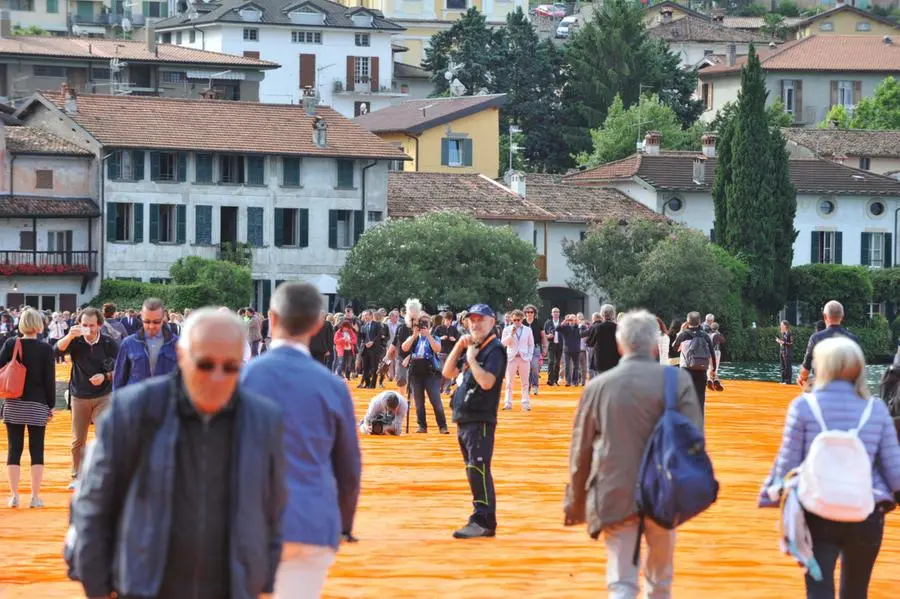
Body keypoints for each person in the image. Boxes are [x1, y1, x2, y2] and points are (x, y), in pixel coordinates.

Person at [67, 308, 286, 599]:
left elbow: (274, 510)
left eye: (231, 367)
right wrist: (98, 587)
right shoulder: (134, 412)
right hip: (146, 587)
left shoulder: (263, 420)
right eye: (206, 364)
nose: (218, 377)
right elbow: (92, 508)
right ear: (182, 355)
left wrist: (263, 578)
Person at [564, 310, 703, 598]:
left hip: (616, 488)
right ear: (655, 344)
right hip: (665, 490)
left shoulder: (598, 386)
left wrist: (576, 501)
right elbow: (694, 441)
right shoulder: (677, 382)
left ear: (619, 344)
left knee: (621, 581)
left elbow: (581, 450)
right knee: (660, 581)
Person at [241, 282, 361, 597]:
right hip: (311, 522)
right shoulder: (333, 387)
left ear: (272, 318)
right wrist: (343, 524)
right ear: (318, 324)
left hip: (251, 522)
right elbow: (349, 469)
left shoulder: (243, 379)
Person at [759, 337, 900, 599]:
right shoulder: (876, 409)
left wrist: (771, 492)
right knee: (856, 591)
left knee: (819, 589)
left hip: (817, 510)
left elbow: (787, 460)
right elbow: (895, 470)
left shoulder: (803, 406)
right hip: (865, 512)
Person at [443, 303, 507, 539]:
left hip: (480, 418)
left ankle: (483, 520)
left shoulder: (494, 350)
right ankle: (480, 518)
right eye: (472, 320)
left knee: (478, 469)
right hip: (465, 418)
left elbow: (487, 382)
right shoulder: (475, 347)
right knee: (473, 469)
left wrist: (470, 357)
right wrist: (460, 347)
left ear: (492, 322)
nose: (475, 324)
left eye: (481, 319)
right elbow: (448, 373)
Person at [55, 307, 119, 488]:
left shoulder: (108, 343)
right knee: (78, 439)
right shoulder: (76, 342)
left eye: (92, 325)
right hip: (79, 395)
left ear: (99, 325)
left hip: (104, 395)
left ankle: (103, 476)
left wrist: (105, 377)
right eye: (84, 325)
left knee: (104, 436)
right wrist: (69, 336)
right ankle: (77, 476)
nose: (88, 329)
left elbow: (121, 368)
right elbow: (55, 351)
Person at [0, 309, 55, 508]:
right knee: (36, 450)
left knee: (14, 450)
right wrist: (50, 406)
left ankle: (14, 495)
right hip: (37, 404)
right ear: (39, 325)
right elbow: (50, 381)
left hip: (14, 402)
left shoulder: (11, 344)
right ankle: (35, 496)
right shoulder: (46, 349)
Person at [113, 298, 179, 390]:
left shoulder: (178, 344)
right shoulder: (128, 343)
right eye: (147, 321)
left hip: (167, 401)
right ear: (141, 317)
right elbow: (119, 381)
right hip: (136, 401)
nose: (151, 326)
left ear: (163, 317)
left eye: (156, 322)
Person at [402, 314, 448, 434]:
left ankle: (442, 426)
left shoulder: (434, 337)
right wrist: (414, 335)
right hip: (416, 373)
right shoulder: (414, 338)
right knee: (418, 401)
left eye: (425, 325)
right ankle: (422, 426)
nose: (423, 327)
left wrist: (428, 335)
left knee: (435, 400)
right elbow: (404, 347)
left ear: (430, 326)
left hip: (431, 372)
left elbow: (437, 348)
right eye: (421, 324)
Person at [798, 301, 860, 389]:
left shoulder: (816, 338)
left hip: (822, 387)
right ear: (842, 316)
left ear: (825, 316)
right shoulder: (853, 339)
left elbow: (806, 368)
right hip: (846, 388)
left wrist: (802, 378)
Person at [673, 311, 718, 416]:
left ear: (687, 322)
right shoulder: (705, 336)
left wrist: (680, 331)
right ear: (699, 322)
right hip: (701, 369)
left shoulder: (683, 335)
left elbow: (674, 348)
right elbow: (712, 353)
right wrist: (713, 369)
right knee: (700, 397)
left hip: (685, 370)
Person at [501, 309, 534, 411]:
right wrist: (511, 334)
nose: (516, 322)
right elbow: (503, 343)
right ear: (511, 319)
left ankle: (525, 403)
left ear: (522, 319)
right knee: (509, 382)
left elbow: (531, 344)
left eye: (518, 320)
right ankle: (508, 403)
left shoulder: (528, 330)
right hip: (511, 358)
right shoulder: (507, 329)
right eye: (514, 320)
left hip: (524, 358)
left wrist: (529, 356)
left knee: (525, 382)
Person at [583, 304, 620, 376]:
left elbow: (590, 343)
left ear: (602, 314)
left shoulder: (597, 327)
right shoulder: (618, 327)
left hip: (600, 360)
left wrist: (586, 339)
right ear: (613, 313)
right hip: (614, 360)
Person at [522, 305, 544, 396]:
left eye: (531, 312)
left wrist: (545, 348)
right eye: (527, 312)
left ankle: (535, 386)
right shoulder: (522, 322)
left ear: (534, 313)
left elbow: (543, 336)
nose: (529, 314)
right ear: (525, 313)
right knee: (526, 369)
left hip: (536, 348)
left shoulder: (538, 322)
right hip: (524, 349)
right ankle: (527, 388)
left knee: (534, 367)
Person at [543, 307, 563, 386]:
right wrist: (548, 336)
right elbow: (543, 334)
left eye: (557, 312)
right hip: (551, 345)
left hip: (560, 345)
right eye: (554, 312)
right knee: (551, 362)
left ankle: (556, 380)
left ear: (559, 313)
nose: (555, 313)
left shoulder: (562, 322)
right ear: (551, 314)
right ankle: (550, 380)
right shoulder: (548, 323)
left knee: (557, 363)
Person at [777, 320, 794, 384]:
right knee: (782, 367)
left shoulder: (790, 333)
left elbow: (791, 343)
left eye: (782, 325)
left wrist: (783, 342)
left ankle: (788, 381)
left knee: (787, 367)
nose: (780, 326)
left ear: (785, 326)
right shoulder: (783, 333)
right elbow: (782, 342)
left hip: (788, 353)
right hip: (782, 352)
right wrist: (779, 341)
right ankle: (782, 380)